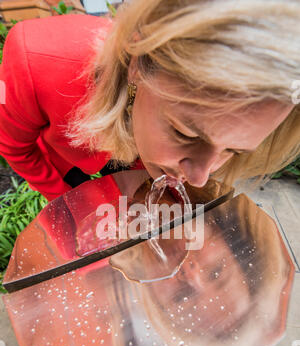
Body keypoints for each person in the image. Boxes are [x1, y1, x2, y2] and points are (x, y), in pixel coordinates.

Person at [0, 0, 300, 203]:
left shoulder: (192, 157)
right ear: (136, 65)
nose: (199, 178)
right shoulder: (32, 60)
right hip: (73, 164)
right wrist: (71, 203)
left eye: (233, 150)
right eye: (186, 132)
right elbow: (14, 147)